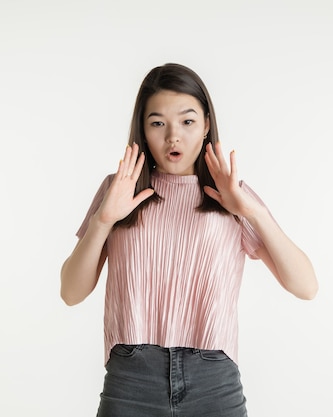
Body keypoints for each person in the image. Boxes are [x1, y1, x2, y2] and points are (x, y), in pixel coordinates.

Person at [60, 63, 318, 417]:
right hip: (131, 380)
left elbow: (305, 286)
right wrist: (104, 218)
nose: (173, 137)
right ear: (143, 129)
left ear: (207, 124)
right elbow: (71, 293)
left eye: (187, 121)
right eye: (157, 123)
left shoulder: (230, 195)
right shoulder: (117, 191)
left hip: (213, 379)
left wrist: (252, 211)